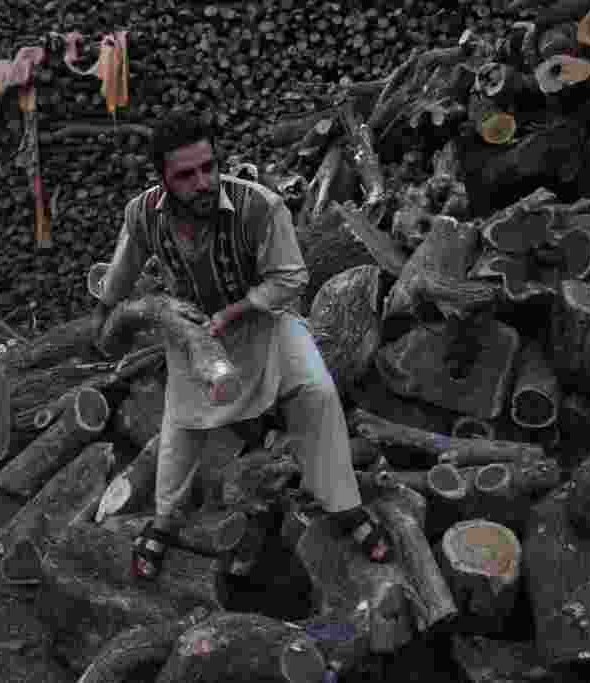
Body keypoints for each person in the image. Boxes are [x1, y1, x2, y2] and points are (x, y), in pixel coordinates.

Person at [90, 109, 391, 580]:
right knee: (182, 424)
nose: (203, 181)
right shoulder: (142, 215)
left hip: (265, 318)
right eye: (186, 174)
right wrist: (117, 311)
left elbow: (291, 278)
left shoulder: (259, 206)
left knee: (316, 390)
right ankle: (165, 520)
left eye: (208, 167)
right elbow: (118, 280)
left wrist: (236, 310)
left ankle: (344, 504)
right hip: (197, 336)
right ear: (164, 180)